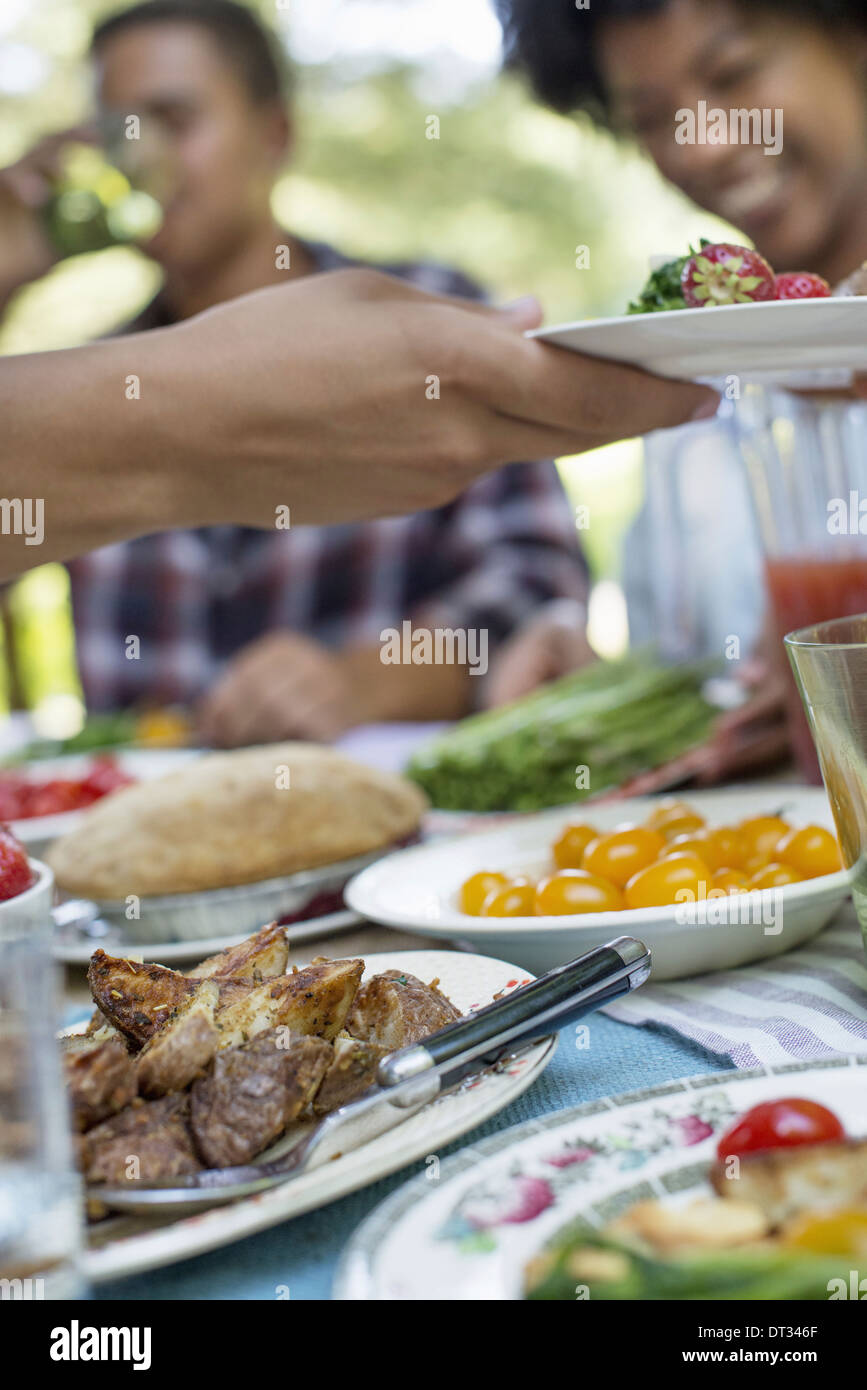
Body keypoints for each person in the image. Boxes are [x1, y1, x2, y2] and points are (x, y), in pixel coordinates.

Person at [2, 1, 644, 740]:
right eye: (118, 132)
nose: (141, 159)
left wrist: (358, 682)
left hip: (389, 814)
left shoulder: (419, 318)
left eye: (173, 121)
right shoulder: (82, 382)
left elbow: (536, 587)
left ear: (275, 135)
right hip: (144, 831)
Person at [496, 0, 867, 780]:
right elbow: (706, 663)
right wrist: (595, 668)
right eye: (653, 117)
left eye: (733, 74)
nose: (702, 147)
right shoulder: (685, 388)